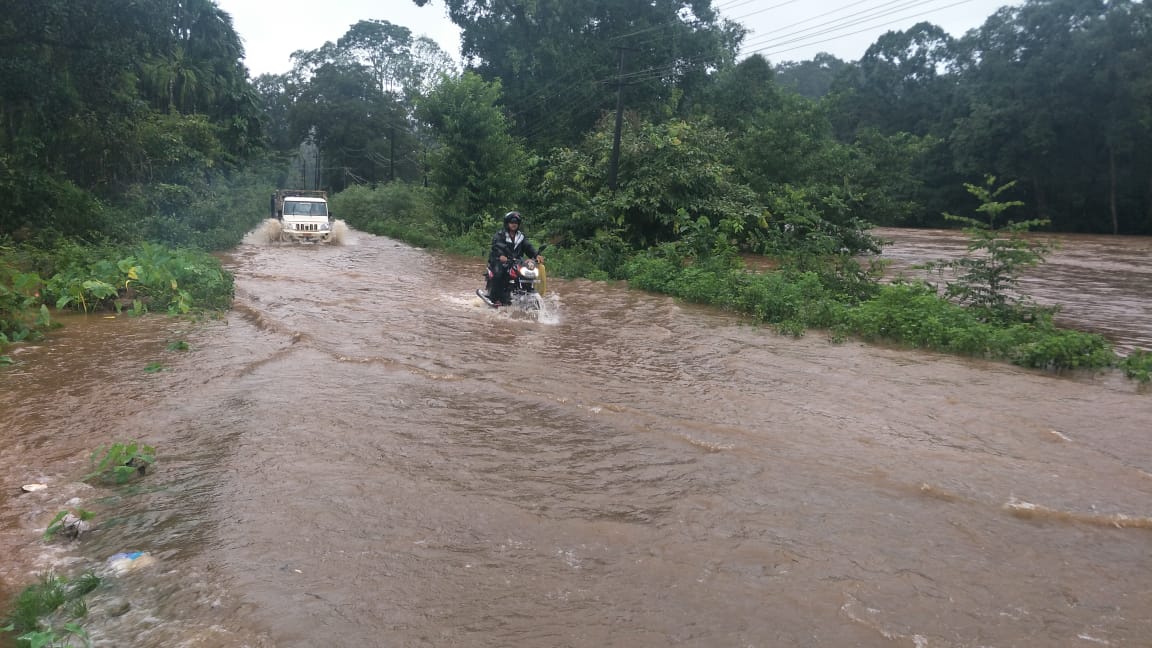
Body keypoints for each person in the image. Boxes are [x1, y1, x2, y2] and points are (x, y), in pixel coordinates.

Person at [486, 211, 543, 305]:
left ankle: (524, 293)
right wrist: (501, 255)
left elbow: (528, 247)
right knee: (499, 273)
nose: (514, 224)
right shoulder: (500, 235)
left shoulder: (521, 236)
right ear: (507, 223)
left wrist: (536, 255)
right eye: (512, 222)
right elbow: (496, 246)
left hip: (516, 261)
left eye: (516, 222)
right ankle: (495, 298)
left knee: (527, 274)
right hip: (499, 261)